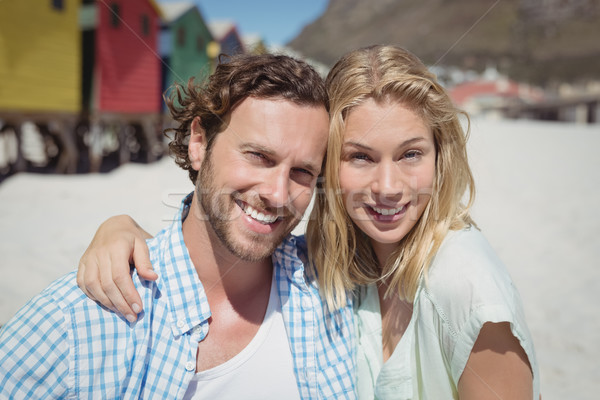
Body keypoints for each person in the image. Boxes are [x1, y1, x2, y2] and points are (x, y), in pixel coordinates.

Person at [76, 46, 540, 399]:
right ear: (328, 166)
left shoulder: (465, 285)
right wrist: (121, 227)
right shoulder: (334, 267)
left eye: (411, 154)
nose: (388, 186)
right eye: (360, 157)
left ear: (442, 157)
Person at [0, 53, 356, 399]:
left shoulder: (333, 290)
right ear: (199, 143)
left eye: (302, 172)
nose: (278, 193)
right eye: (258, 156)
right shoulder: (75, 322)